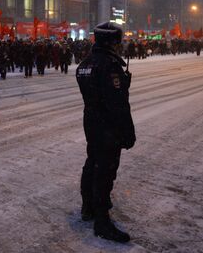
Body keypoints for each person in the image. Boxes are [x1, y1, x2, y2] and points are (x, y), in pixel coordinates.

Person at [75, 21, 136, 243]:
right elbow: (117, 103)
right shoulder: (109, 65)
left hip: (91, 120)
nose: (120, 46)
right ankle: (102, 221)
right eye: (118, 41)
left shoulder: (85, 64)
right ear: (111, 41)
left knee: (92, 161)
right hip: (107, 124)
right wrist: (128, 131)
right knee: (106, 168)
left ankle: (88, 206)